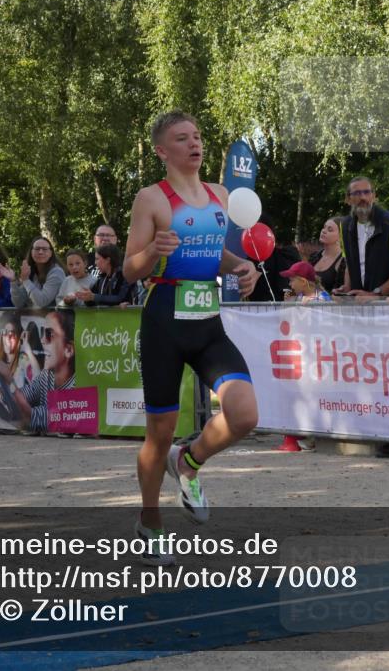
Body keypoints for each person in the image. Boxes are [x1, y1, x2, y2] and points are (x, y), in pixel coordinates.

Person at [123, 110, 260, 565]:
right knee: (156, 435)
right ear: (163, 151)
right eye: (183, 139)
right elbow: (129, 269)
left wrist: (241, 266)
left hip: (207, 321)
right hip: (164, 318)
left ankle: (190, 461)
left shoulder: (219, 194)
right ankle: (149, 522)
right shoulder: (152, 199)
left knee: (244, 415)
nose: (195, 144)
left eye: (198, 137)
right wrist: (151, 252)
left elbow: (213, 252)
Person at [334, 176, 389, 301]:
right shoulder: (345, 226)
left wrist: (377, 293)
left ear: (374, 196)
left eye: (367, 192)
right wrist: (346, 289)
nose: (363, 197)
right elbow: (350, 265)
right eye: (357, 193)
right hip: (362, 305)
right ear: (348, 199)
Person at [13, 309, 76, 436]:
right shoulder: (47, 375)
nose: (42, 340)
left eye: (49, 334)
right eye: (42, 332)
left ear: (68, 350)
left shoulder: (78, 383)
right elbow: (26, 395)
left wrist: (9, 386)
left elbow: (56, 415)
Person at [11, 236, 65, 308]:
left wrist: (26, 280)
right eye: (37, 249)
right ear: (31, 252)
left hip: (54, 318)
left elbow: (42, 301)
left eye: (45, 249)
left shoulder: (57, 272)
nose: (40, 252)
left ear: (51, 253)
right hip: (33, 318)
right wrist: (13, 281)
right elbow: (19, 304)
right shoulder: (30, 272)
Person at [309, 218, 346, 294]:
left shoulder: (344, 261)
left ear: (340, 236)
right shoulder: (315, 256)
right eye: (324, 227)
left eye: (330, 230)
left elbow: (341, 294)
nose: (323, 231)